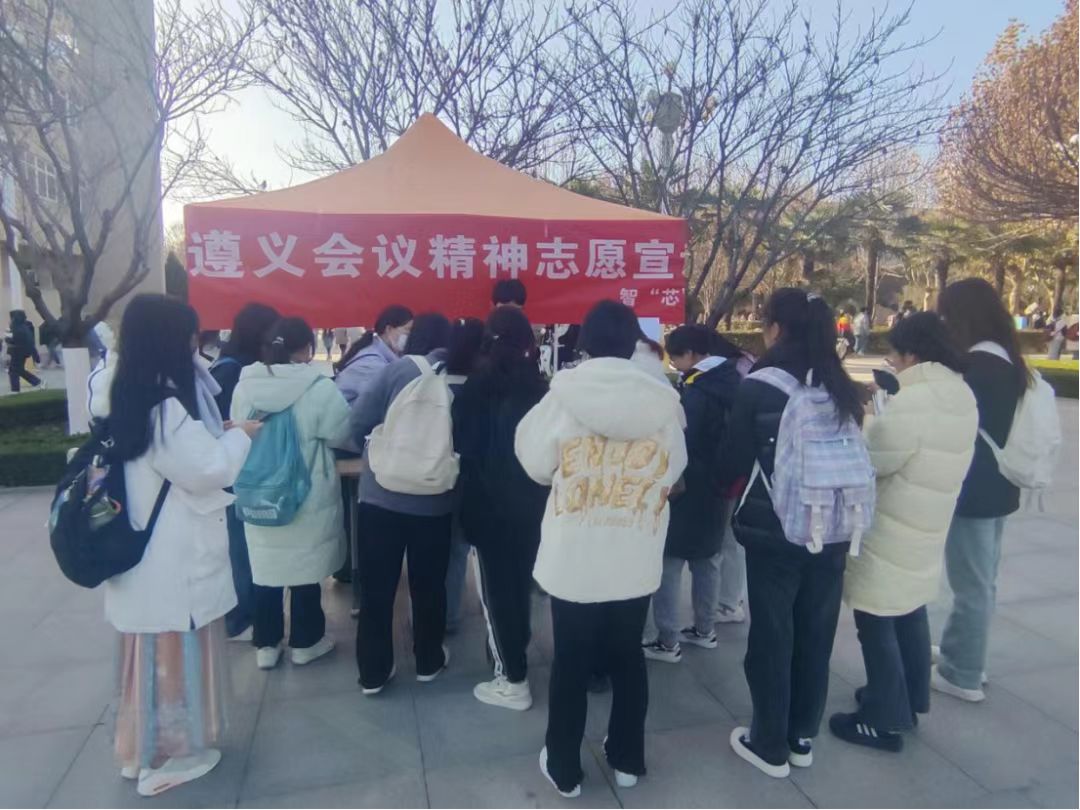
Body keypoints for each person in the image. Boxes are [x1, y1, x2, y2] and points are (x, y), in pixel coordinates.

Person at [515, 300, 687, 797]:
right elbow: (674, 468)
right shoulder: (661, 401)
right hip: (634, 550)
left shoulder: (564, 396)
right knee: (628, 657)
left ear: (585, 341)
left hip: (576, 554)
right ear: (634, 341)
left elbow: (533, 460)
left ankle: (564, 767)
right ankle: (628, 758)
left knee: (570, 661)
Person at [96, 294, 259, 796]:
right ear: (168, 339)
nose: (195, 344)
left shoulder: (118, 392)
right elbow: (208, 469)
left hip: (139, 557)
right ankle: (171, 757)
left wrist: (215, 436)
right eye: (189, 335)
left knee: (146, 659)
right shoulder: (163, 407)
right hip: (172, 560)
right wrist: (241, 436)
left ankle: (139, 749)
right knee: (173, 660)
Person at [719, 288, 865, 778]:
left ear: (777, 328)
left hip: (776, 530)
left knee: (773, 636)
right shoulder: (841, 384)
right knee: (816, 634)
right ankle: (802, 736)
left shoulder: (759, 385)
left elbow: (732, 462)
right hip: (834, 527)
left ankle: (768, 743)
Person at [830, 312, 978, 751]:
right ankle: (908, 698)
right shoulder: (960, 392)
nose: (891, 361)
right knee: (909, 611)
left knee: (875, 618)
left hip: (892, 525)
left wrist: (870, 421)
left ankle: (884, 719)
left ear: (912, 353)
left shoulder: (916, 401)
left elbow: (876, 459)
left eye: (894, 353)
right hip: (927, 521)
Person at [231, 318, 352, 669]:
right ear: (307, 348)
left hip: (258, 490)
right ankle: (305, 641)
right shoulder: (318, 387)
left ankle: (266, 645)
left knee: (265, 567)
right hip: (305, 493)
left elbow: (239, 429)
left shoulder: (245, 385)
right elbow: (340, 432)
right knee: (305, 565)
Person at [350, 313, 456, 693]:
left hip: (381, 496)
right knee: (430, 585)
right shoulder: (459, 375)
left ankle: (373, 672)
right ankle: (428, 659)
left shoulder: (394, 371)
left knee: (377, 588)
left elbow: (357, 423)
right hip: (434, 500)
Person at [933, 278, 1027, 702]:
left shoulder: (973, 369)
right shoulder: (1008, 360)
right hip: (999, 485)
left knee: (970, 585)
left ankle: (963, 673)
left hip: (972, 487)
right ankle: (964, 653)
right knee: (983, 581)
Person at [454, 308, 550, 710]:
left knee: (497, 594)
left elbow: (462, 447)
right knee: (521, 587)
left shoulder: (474, 389)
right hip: (535, 506)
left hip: (488, 510)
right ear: (528, 342)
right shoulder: (541, 388)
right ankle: (516, 652)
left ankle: (512, 679)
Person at [644, 325, 740, 664]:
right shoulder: (731, 379)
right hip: (719, 487)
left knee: (670, 560)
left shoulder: (699, 391)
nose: (674, 365)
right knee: (708, 558)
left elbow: (683, 440)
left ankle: (667, 640)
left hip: (689, 485)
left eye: (676, 357)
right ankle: (704, 629)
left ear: (692, 354)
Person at [210, 302, 281, 641]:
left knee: (245, 544)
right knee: (241, 546)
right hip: (236, 470)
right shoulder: (232, 370)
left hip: (242, 466)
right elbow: (219, 424)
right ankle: (241, 618)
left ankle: (246, 613)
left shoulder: (234, 364)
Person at [333, 305, 413, 592]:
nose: (409, 337)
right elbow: (380, 410)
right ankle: (354, 568)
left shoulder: (380, 357)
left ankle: (350, 566)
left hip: (350, 440)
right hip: (350, 443)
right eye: (407, 331)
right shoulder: (373, 365)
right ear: (389, 329)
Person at [444, 317, 485, 635]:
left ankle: (442, 615)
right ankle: (456, 612)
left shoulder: (435, 383)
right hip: (475, 478)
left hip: (436, 477)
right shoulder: (485, 387)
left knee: (445, 551)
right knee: (465, 550)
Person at [335, 306, 413, 406]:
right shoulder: (371, 364)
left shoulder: (379, 353)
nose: (410, 335)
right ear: (389, 329)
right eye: (407, 330)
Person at [6, 310, 44, 392]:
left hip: (17, 352)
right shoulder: (24, 326)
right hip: (22, 352)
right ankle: (37, 382)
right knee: (19, 370)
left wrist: (8, 333)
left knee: (13, 371)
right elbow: (30, 343)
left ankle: (15, 390)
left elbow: (9, 340)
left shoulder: (15, 327)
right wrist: (36, 356)